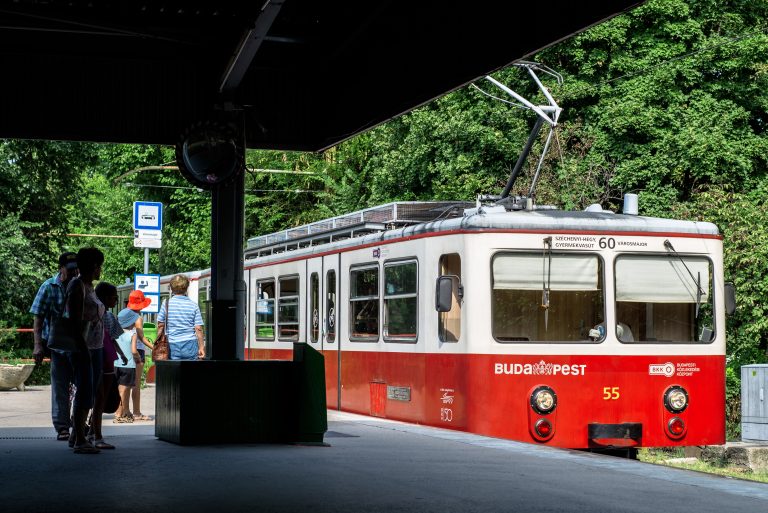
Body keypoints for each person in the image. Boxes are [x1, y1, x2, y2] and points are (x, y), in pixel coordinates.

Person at [29, 251, 79, 441]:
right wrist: (37, 345)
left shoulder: (81, 285)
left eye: (77, 269)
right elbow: (38, 317)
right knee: (60, 386)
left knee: (82, 384)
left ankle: (79, 421)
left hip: (78, 344)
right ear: (61, 269)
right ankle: (62, 427)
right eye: (70, 269)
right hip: (56, 345)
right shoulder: (48, 287)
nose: (74, 273)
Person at [66, 247, 105, 454]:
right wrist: (82, 349)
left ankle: (76, 435)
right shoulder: (77, 286)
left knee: (89, 391)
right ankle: (80, 438)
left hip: (95, 347)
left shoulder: (89, 286)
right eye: (99, 265)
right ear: (93, 266)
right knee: (84, 391)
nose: (100, 269)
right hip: (83, 347)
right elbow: (74, 320)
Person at [89, 282, 128, 449]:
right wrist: (121, 354)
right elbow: (112, 338)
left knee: (89, 398)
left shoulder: (91, 313)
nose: (116, 300)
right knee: (100, 398)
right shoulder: (108, 316)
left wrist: (121, 354)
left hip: (95, 356)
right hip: (104, 358)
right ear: (105, 298)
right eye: (114, 297)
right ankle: (97, 436)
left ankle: (86, 432)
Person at [156, 274, 205, 360]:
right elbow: (198, 328)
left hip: (171, 344)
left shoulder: (166, 304)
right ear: (186, 288)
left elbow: (160, 325)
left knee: (172, 371)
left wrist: (158, 342)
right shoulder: (193, 305)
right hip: (190, 345)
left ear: (171, 288)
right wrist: (201, 347)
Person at [124, 290, 153, 420]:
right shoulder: (137, 318)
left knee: (125, 383)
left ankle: (125, 411)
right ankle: (136, 412)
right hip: (137, 351)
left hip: (125, 350)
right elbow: (141, 337)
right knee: (136, 383)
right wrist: (154, 347)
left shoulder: (123, 314)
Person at [113, 308, 141, 423]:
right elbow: (134, 350)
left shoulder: (115, 333)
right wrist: (138, 359)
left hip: (115, 364)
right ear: (131, 322)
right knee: (124, 390)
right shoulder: (133, 333)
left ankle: (126, 411)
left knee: (119, 389)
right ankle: (119, 413)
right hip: (128, 365)